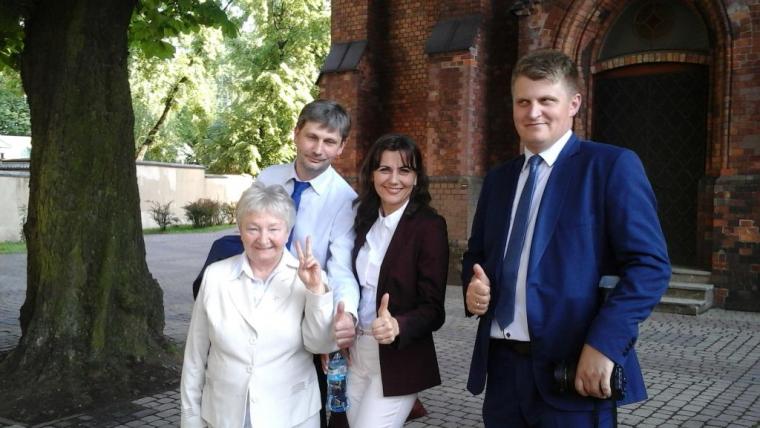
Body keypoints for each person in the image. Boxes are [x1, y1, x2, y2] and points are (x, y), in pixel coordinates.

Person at [462, 49, 671, 427]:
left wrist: (604, 345)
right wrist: (473, 289)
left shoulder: (610, 166)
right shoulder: (498, 180)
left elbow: (649, 266)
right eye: (523, 102)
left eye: (546, 100)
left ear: (574, 103)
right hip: (502, 372)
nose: (533, 112)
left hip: (573, 369)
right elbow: (475, 256)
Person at [191, 100, 360, 427]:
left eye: (329, 142)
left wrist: (344, 315)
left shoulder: (344, 199)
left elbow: (341, 269)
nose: (318, 149)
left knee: (298, 397)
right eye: (312, 137)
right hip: (254, 296)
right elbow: (248, 229)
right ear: (296, 133)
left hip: (299, 307)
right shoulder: (270, 176)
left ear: (342, 147)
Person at [181, 182, 334, 428]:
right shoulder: (215, 276)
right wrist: (190, 419)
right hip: (225, 417)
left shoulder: (309, 276)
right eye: (253, 228)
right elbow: (195, 358)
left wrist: (315, 291)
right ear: (240, 231)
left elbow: (322, 344)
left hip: (292, 417)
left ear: (288, 231)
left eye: (273, 228)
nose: (263, 239)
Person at [347, 134, 449, 428]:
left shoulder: (429, 227)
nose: (394, 179)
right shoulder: (364, 218)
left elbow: (434, 310)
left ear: (416, 178)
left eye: (404, 170)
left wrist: (398, 325)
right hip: (356, 355)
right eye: (384, 169)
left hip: (397, 359)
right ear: (372, 175)